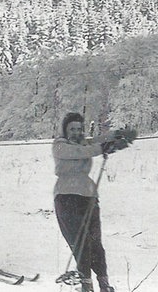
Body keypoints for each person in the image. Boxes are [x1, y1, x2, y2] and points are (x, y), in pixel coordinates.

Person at [53, 113, 130, 292]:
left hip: (88, 196)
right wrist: (103, 147)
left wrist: (117, 135)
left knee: (95, 242)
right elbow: (82, 151)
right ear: (64, 130)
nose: (76, 132)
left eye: (80, 129)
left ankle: (104, 283)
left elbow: (96, 140)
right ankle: (86, 285)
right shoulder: (59, 145)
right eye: (72, 129)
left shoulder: (84, 143)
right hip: (66, 196)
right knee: (80, 242)